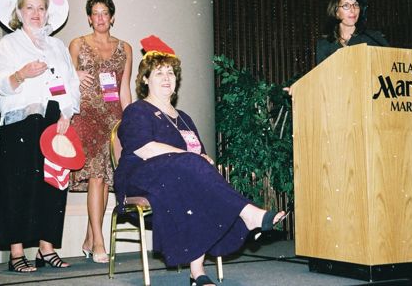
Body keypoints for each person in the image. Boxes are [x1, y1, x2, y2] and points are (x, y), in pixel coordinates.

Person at [114, 36, 286, 286]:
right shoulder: (137, 110)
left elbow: (200, 158)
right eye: (159, 73)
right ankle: (248, 214)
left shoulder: (184, 118)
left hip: (177, 178)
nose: (166, 78)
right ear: (144, 79)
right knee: (192, 168)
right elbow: (145, 149)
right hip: (142, 177)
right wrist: (191, 157)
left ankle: (198, 273)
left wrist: (198, 159)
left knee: (194, 181)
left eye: (171, 73)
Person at [0, 0, 80, 272]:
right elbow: (0, 84)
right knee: (17, 186)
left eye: (41, 8)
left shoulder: (56, 46)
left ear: (47, 14)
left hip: (54, 122)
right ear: (18, 12)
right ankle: (16, 254)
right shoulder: (9, 44)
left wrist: (67, 112)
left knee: (53, 184)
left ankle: (47, 249)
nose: (35, 13)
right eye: (29, 7)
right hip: (21, 121)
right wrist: (21, 74)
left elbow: (68, 84)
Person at [69, 0, 133, 263]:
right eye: (95, 13)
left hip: (113, 117)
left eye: (105, 12)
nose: (100, 18)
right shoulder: (77, 44)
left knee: (106, 179)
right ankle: (99, 243)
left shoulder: (125, 48)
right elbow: (62, 81)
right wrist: (74, 76)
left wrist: (130, 121)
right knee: (97, 174)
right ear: (88, 18)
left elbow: (124, 88)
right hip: (86, 115)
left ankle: (88, 238)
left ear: (112, 17)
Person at [316, 0, 389, 66]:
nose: (353, 10)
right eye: (346, 5)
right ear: (336, 12)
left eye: (356, 5)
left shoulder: (374, 38)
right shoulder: (324, 44)